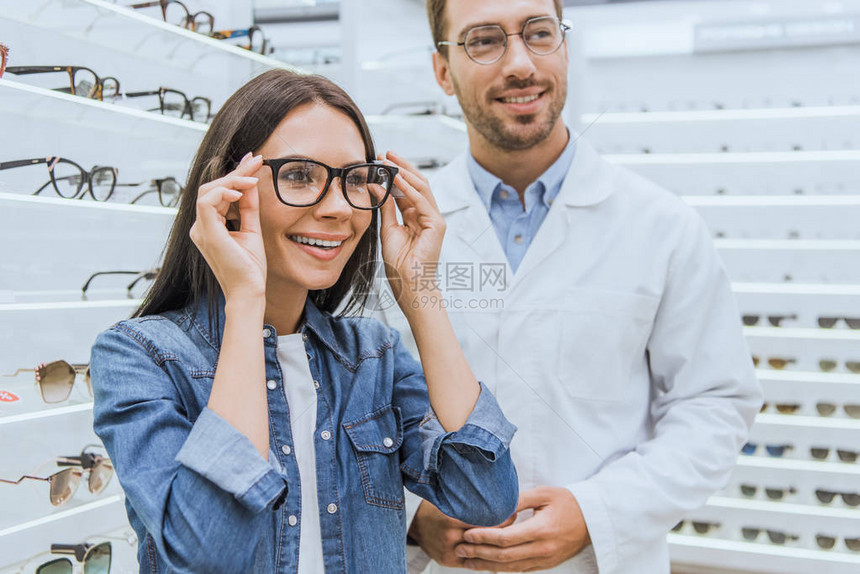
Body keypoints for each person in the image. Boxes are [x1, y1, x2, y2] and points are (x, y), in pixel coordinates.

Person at [89, 69, 519, 573]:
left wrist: (420, 292)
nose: (339, 208)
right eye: (298, 176)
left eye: (356, 180)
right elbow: (210, 550)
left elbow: (485, 496)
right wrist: (245, 300)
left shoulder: (371, 356)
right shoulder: (139, 356)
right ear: (229, 191)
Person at [386, 0, 763, 572]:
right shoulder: (393, 235)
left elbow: (714, 404)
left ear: (564, 46)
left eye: (539, 33)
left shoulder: (662, 227)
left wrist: (597, 513)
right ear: (442, 70)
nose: (520, 63)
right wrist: (413, 511)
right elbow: (356, 406)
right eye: (483, 41)